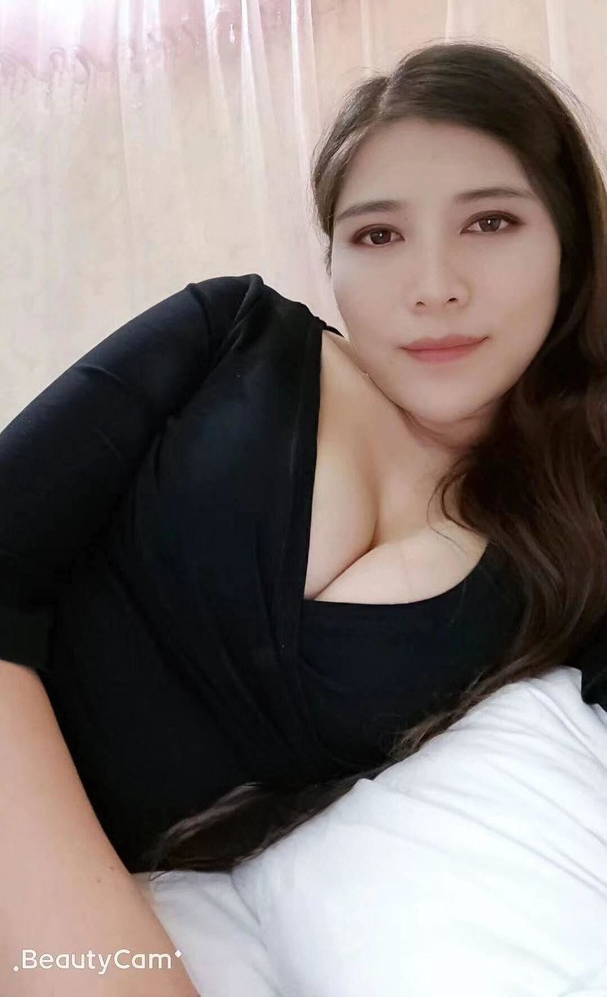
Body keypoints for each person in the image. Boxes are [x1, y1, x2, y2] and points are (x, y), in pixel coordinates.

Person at [2, 37, 607, 993]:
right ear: (330, 256)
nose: (434, 284)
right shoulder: (225, 336)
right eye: (377, 235)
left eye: (490, 221)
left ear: (569, 244)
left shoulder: (573, 534)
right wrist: (107, 959)